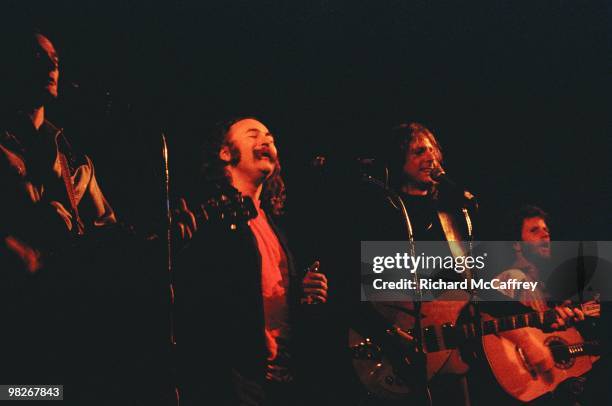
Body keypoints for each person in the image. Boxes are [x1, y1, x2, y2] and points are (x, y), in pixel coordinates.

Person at [175, 117, 328, 406]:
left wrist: (303, 295)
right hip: (235, 380)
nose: (266, 141)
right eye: (253, 134)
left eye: (270, 137)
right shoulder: (211, 215)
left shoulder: (275, 227)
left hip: (282, 380)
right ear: (225, 153)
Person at [0, 29, 118, 385]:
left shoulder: (73, 159)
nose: (52, 65)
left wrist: (169, 236)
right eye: (39, 57)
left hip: (61, 335)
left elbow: (109, 233)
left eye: (55, 59)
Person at [343, 122, 477, 406]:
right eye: (418, 152)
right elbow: (365, 283)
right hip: (396, 342)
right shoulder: (384, 210)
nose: (430, 158)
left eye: (432, 151)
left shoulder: (450, 215)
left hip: (446, 345)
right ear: (399, 160)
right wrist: (392, 332)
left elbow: (461, 284)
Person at [472, 205, 601, 406]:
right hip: (524, 377)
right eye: (535, 230)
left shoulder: (538, 285)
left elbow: (540, 330)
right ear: (517, 244)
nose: (545, 234)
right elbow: (486, 316)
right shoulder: (513, 278)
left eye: (546, 230)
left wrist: (564, 323)